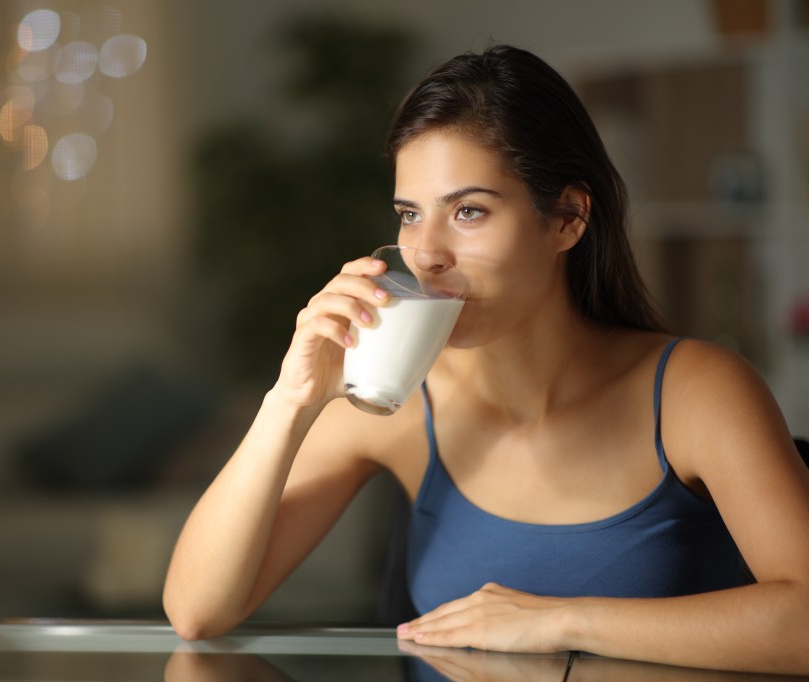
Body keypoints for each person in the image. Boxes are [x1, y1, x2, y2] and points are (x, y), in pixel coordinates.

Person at [162, 44, 809, 674]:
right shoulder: (398, 400)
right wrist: (289, 399)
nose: (427, 253)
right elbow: (197, 613)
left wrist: (561, 621)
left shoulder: (697, 392)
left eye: (469, 211)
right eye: (410, 215)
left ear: (568, 219)